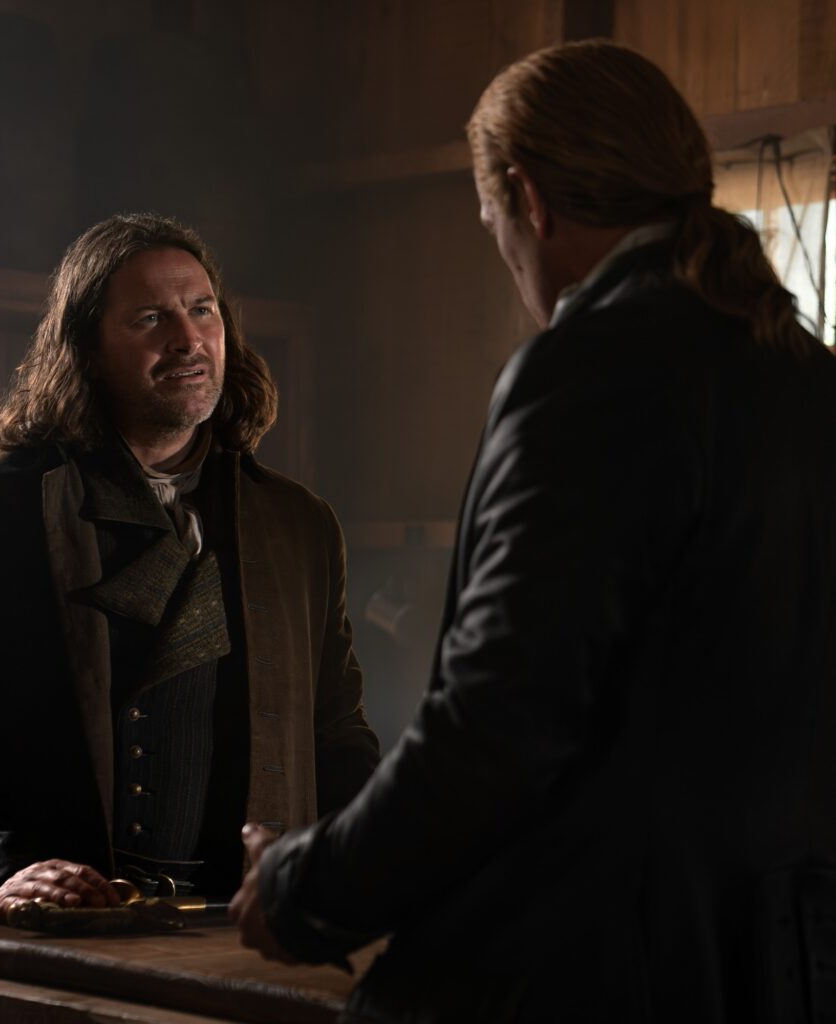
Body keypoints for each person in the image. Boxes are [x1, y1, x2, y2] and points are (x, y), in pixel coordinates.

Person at [230, 41, 836, 1022]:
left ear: (528, 199)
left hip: (589, 975)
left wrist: (302, 885)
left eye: (491, 222)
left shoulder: (590, 368)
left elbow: (499, 723)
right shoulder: (809, 377)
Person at [0, 213, 379, 922]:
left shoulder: (297, 524)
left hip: (244, 929)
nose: (188, 339)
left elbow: (337, 739)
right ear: (87, 347)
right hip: (53, 930)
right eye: (150, 318)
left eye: (202, 310)